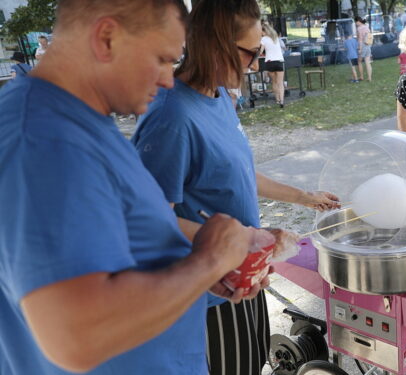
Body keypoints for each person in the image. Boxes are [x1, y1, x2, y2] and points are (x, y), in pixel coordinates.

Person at [0, 1, 276, 374]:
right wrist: (206, 262)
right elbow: (77, 338)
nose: (167, 79)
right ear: (107, 37)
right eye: (162, 58)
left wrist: (220, 254)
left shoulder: (83, 123)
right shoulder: (45, 138)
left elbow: (122, 236)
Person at [130, 2, 340, 375]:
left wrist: (305, 198)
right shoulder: (171, 117)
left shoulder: (219, 97)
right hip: (204, 299)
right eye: (251, 53)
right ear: (214, 43)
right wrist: (231, 246)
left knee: (251, 361)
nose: (256, 64)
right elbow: (143, 220)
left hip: (242, 279)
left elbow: (235, 174)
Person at [260, 23, 286, 108]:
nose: (261, 33)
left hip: (269, 62)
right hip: (279, 61)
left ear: (264, 31)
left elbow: (260, 52)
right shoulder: (276, 38)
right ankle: (282, 101)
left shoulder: (263, 39)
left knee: (274, 82)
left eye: (261, 32)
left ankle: (277, 100)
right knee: (280, 83)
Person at [356, 16, 373, 82]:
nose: (356, 24)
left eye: (356, 22)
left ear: (358, 21)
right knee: (367, 62)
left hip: (362, 45)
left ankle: (361, 76)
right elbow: (369, 36)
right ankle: (369, 78)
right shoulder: (366, 26)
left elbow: (360, 40)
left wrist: (359, 49)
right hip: (368, 45)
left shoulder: (359, 28)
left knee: (359, 61)